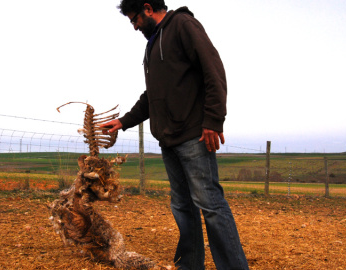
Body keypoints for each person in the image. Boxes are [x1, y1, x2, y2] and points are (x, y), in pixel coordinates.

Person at [101, 1, 249, 269]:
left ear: (148, 8)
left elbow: (213, 70)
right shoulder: (152, 45)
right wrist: (123, 122)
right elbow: (152, 96)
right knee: (182, 207)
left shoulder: (183, 25)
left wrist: (214, 120)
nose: (134, 27)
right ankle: (190, 266)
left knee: (211, 206)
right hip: (168, 139)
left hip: (194, 135)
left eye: (134, 19)